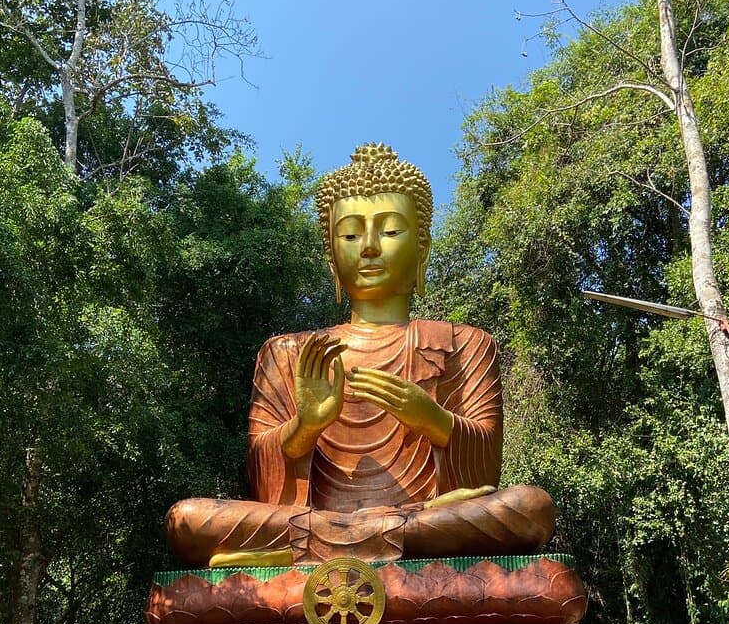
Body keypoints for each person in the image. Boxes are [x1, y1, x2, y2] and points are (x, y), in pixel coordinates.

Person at [166, 143, 556, 567]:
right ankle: (372, 538)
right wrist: (305, 426)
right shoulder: (287, 352)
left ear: (422, 247)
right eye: (350, 234)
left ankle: (313, 548)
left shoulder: (465, 342)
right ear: (331, 256)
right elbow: (264, 483)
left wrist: (432, 419)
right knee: (186, 521)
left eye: (389, 231)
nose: (368, 247)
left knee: (529, 508)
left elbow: (483, 477)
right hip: (368, 524)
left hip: (422, 515)